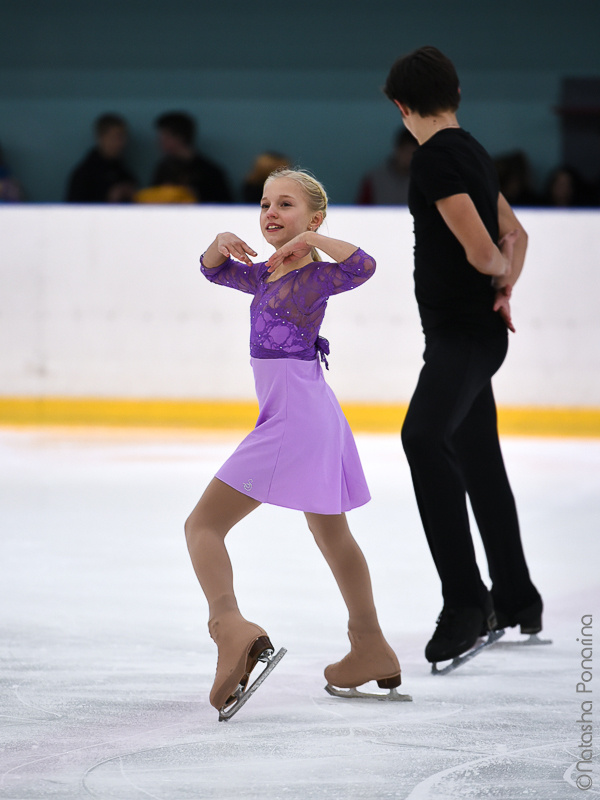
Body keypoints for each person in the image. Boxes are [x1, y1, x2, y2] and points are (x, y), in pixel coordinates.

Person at [184, 168, 401, 718]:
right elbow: (212, 273)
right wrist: (216, 245)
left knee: (202, 525)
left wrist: (314, 244)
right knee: (331, 532)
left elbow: (363, 266)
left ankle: (230, 627)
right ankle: (370, 645)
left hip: (294, 420)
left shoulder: (313, 278)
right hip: (307, 411)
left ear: (315, 218)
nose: (271, 213)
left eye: (286, 205)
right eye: (264, 204)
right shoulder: (263, 276)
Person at [383, 46, 543, 666]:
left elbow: (487, 249)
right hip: (474, 333)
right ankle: (516, 596)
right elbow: (516, 233)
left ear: (402, 106)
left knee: (422, 438)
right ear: (453, 94)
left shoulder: (435, 159)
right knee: (478, 459)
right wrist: (506, 289)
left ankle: (466, 605)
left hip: (461, 336)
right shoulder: (472, 151)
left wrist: (496, 276)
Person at [152, 111, 232, 203]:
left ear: (180, 137)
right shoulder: (163, 168)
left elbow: (224, 205)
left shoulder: (209, 172)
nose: (159, 142)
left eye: (165, 137)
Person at [65, 113, 137, 203]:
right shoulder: (84, 174)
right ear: (101, 138)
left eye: (123, 137)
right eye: (116, 137)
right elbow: (72, 210)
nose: (121, 143)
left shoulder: (122, 171)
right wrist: (108, 197)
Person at [356, 128, 418, 205]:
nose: (409, 157)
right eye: (407, 151)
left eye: (414, 153)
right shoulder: (374, 179)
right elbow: (361, 211)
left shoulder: (424, 181)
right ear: (398, 149)